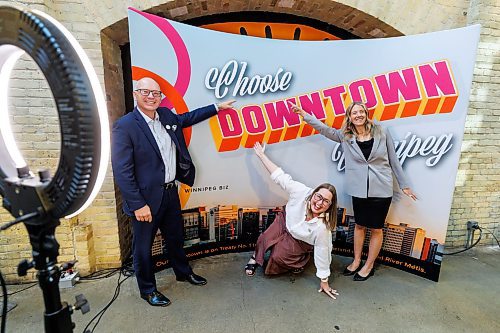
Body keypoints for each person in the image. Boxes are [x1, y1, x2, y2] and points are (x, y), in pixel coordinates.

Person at [111, 77, 235, 306]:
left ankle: (182, 272)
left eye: (156, 93)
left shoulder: (166, 116)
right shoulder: (125, 126)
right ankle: (148, 290)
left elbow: (186, 119)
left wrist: (216, 108)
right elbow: (122, 171)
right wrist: (138, 204)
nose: (151, 97)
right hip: (145, 200)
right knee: (143, 248)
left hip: (170, 193)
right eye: (146, 92)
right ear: (136, 94)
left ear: (161, 97)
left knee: (176, 238)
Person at [291, 101, 417, 281]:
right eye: (354, 113)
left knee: (376, 228)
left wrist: (404, 185)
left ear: (366, 113)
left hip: (381, 189)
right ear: (349, 117)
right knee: (359, 225)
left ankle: (369, 265)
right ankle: (357, 260)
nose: (358, 115)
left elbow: (393, 160)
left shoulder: (382, 131)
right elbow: (326, 130)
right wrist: (304, 115)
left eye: (361, 112)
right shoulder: (345, 136)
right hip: (358, 189)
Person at [245, 142, 340, 300]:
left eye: (326, 201)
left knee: (278, 258)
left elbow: (323, 251)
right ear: (313, 194)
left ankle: (301, 261)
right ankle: (255, 258)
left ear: (330, 206)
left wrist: (324, 281)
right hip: (285, 221)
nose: (319, 203)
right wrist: (261, 155)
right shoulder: (301, 191)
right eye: (319, 196)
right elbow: (279, 176)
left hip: (300, 240)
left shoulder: (323, 227)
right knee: (264, 238)